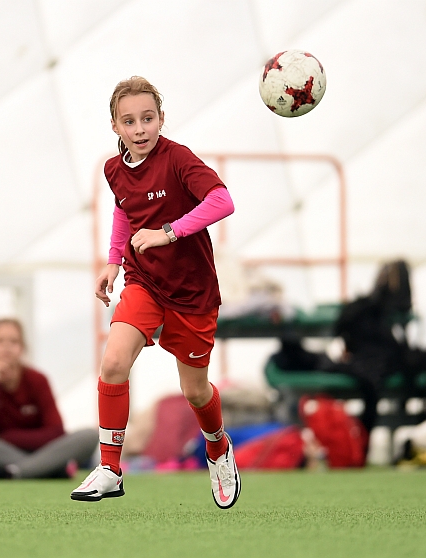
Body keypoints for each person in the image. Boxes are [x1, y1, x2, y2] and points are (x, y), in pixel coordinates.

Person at [69, 76, 241, 509]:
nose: (140, 128)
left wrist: (169, 232)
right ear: (115, 126)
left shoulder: (179, 158)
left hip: (192, 293)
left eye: (148, 118)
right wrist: (113, 261)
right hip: (143, 282)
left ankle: (217, 447)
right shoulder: (113, 169)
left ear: (161, 119)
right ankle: (110, 469)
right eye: (129, 121)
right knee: (113, 362)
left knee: (196, 392)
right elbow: (125, 212)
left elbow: (223, 202)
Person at [0, 318, 98, 479]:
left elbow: (56, 431)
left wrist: (8, 437)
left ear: (22, 349)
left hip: (41, 449)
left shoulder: (37, 379)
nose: (6, 347)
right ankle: (49, 469)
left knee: (89, 436)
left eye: (14, 341)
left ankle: (12, 472)